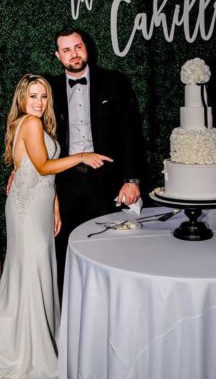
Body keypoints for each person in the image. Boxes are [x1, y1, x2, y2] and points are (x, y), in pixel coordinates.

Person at [0, 75, 112, 379]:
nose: (39, 102)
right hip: (27, 212)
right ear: (22, 99)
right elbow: (42, 166)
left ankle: (40, 338)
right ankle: (28, 348)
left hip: (37, 206)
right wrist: (83, 155)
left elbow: (33, 171)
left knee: (38, 269)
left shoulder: (35, 124)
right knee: (31, 270)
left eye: (43, 96)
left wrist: (54, 205)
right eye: (32, 96)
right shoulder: (28, 123)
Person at [48, 28, 146, 299]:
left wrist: (132, 179)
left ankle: (109, 308)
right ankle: (68, 314)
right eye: (66, 50)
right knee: (63, 250)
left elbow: (131, 133)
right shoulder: (48, 89)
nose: (74, 54)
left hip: (105, 180)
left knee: (109, 249)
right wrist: (20, 170)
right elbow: (31, 132)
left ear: (86, 48)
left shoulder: (114, 82)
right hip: (63, 182)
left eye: (78, 47)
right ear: (58, 55)